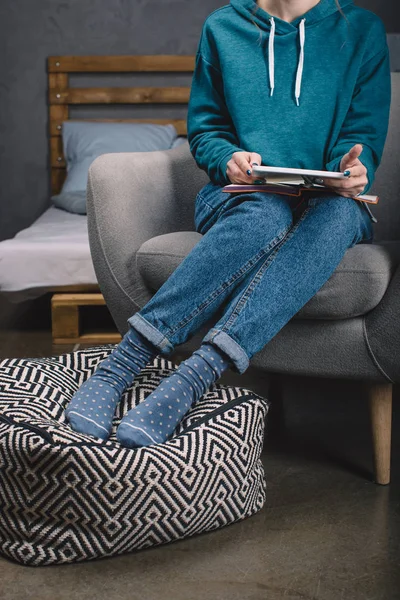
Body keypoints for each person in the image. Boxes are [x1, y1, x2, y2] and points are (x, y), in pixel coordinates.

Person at [65, 0, 391, 448]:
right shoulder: (224, 27)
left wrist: (353, 168)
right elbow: (205, 130)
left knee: (337, 216)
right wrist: (227, 158)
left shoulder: (361, 29)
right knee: (265, 212)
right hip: (243, 194)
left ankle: (194, 377)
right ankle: (121, 366)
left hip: (330, 201)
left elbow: (364, 135)